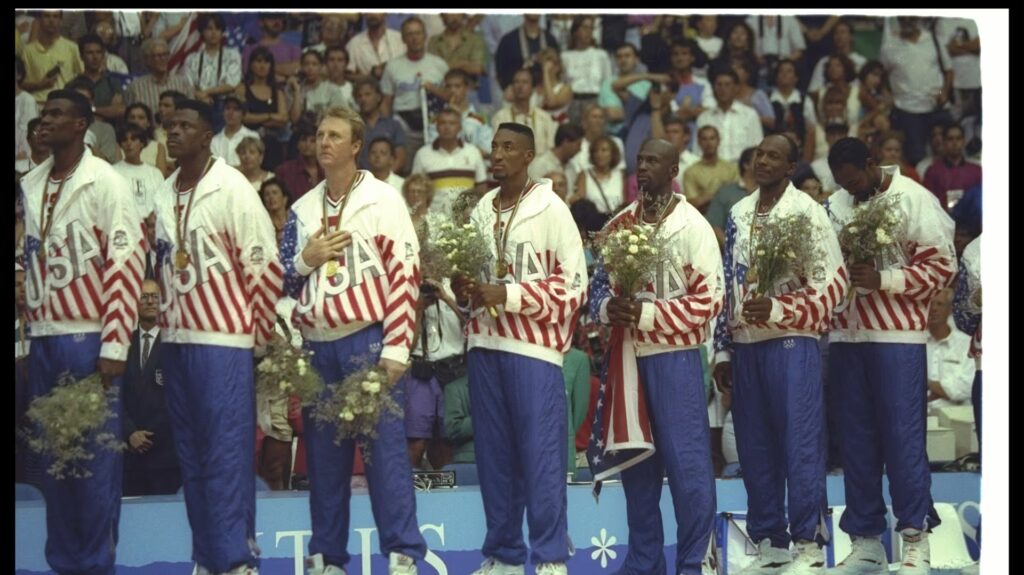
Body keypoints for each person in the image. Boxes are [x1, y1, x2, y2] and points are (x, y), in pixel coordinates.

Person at [279, 106, 426, 575]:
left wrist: (396, 349)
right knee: (322, 460)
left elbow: (405, 276)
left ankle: (403, 555)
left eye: (334, 135)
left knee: (384, 456)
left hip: (367, 340)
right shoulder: (301, 209)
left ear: (355, 146)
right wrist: (306, 259)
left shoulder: (383, 200)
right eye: (319, 133)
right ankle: (328, 559)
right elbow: (281, 282)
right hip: (317, 346)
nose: (323, 142)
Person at [451, 123, 587, 575]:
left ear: (529, 156)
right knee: (494, 459)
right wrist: (463, 287)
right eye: (493, 147)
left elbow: (574, 288)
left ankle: (550, 558)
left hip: (534, 351)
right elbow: (477, 285)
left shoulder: (552, 209)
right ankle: (504, 556)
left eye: (509, 148)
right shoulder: (481, 209)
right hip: (484, 346)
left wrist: (506, 295)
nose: (498, 154)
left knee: (541, 457)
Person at [154, 99, 283, 575]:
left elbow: (264, 267)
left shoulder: (231, 187)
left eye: (185, 126)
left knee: (226, 452)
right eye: (170, 126)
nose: (174, 133)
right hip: (178, 337)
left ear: (207, 135)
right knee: (191, 453)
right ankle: (207, 557)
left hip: (225, 338)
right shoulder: (165, 189)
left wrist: (261, 338)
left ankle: (236, 559)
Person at [20, 89, 144, 575]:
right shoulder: (33, 182)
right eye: (42, 112)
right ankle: (63, 564)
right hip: (46, 336)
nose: (43, 120)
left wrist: (115, 342)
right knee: (55, 461)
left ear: (81, 126)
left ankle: (95, 565)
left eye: (55, 114)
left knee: (92, 463)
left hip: (90, 336)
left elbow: (126, 265)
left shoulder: (105, 183)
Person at [712, 134, 848, 574]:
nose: (763, 161)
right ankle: (771, 543)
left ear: (791, 167)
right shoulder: (736, 212)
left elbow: (834, 285)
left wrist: (779, 308)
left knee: (801, 445)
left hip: (793, 343)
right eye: (759, 154)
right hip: (747, 347)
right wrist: (722, 349)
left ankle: (808, 546)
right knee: (755, 449)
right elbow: (727, 285)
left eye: (774, 156)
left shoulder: (807, 212)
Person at [589, 138, 724, 575]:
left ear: (673, 169)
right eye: (640, 159)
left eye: (653, 161)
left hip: (676, 357)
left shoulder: (693, 226)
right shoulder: (619, 226)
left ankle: (694, 562)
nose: (642, 167)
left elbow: (710, 302)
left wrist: (646, 314)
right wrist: (611, 309)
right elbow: (594, 294)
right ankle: (644, 563)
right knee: (638, 471)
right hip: (628, 358)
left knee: (689, 471)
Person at [824, 136, 956, 575]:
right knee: (856, 443)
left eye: (855, 180)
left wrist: (884, 280)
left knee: (903, 440)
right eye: (842, 183)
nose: (851, 190)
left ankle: (916, 541)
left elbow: (943, 266)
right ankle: (866, 543)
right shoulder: (835, 204)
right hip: (846, 338)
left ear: (871, 161)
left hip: (898, 338)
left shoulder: (914, 199)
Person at [123, 279, 182, 496]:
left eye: (155, 297)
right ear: (135, 303)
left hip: (166, 457)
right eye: (144, 297)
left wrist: (148, 437)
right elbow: (114, 395)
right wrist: (130, 433)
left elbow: (180, 399)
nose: (150, 302)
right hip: (129, 457)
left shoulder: (176, 344)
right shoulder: (122, 343)